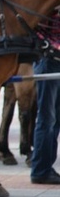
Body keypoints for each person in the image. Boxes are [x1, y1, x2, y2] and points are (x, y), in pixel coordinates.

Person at [30, 10, 60, 184]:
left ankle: (46, 167)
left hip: (53, 60)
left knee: (54, 119)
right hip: (49, 59)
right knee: (47, 118)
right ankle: (41, 169)